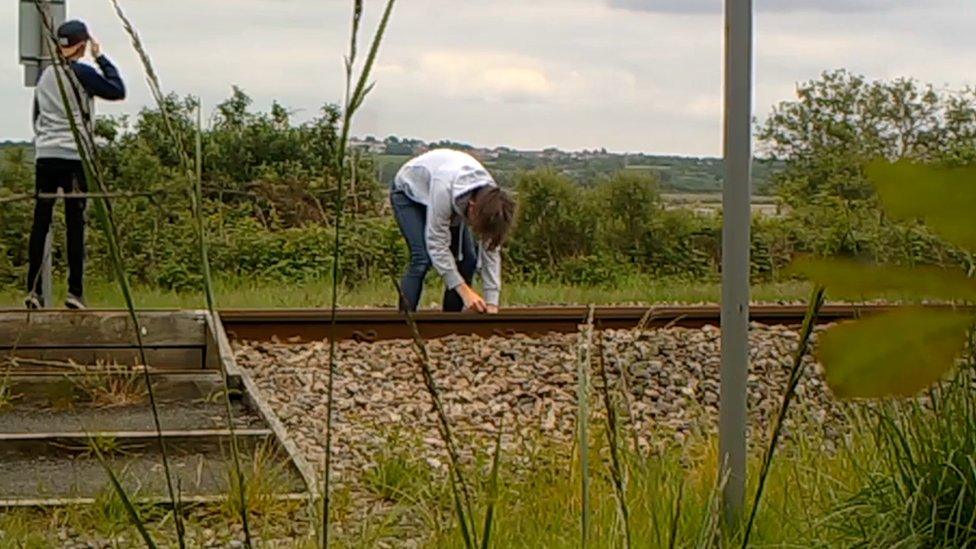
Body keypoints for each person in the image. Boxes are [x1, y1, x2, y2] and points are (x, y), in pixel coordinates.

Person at [25, 20, 126, 310]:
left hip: (45, 155)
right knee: (74, 223)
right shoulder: (80, 73)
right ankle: (74, 291)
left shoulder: (45, 76)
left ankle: (34, 290)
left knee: (41, 221)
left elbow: (37, 116)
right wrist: (101, 58)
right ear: (82, 45)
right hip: (74, 156)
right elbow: (116, 90)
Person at [391, 149, 517, 313]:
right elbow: (437, 245)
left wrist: (492, 302)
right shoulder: (444, 189)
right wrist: (465, 292)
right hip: (409, 194)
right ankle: (405, 322)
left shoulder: (491, 201)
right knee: (422, 258)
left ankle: (450, 323)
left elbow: (490, 249)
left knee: (467, 261)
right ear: (472, 209)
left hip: (451, 197)